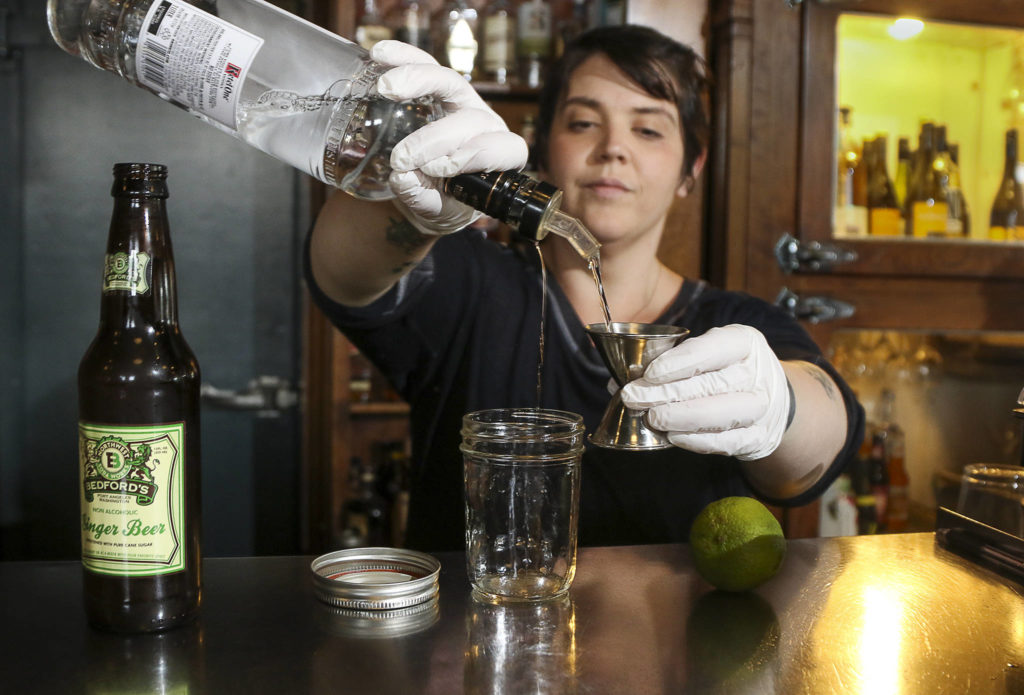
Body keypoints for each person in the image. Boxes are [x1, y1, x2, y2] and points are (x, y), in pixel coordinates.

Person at [307, 25, 865, 551]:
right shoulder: (472, 283)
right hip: (472, 644)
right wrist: (416, 203)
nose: (613, 148)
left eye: (648, 128)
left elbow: (822, 448)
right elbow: (343, 272)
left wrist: (781, 406)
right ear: (544, 147)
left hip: (672, 649)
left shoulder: (733, 324)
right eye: (582, 123)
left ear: (691, 168)